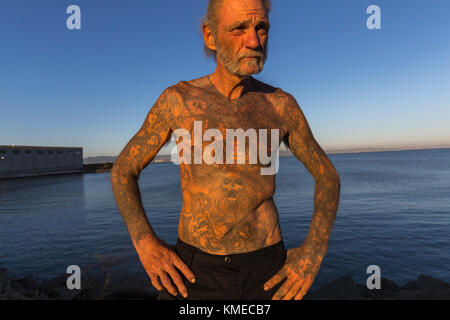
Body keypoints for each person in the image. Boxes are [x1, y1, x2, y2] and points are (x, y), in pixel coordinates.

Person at [110, 0, 340, 300]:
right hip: (192, 271)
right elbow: (123, 171)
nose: (255, 41)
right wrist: (145, 244)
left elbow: (328, 177)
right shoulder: (178, 100)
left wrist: (314, 251)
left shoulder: (281, 106)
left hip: (267, 270)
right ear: (210, 36)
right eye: (239, 29)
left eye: (262, 28)